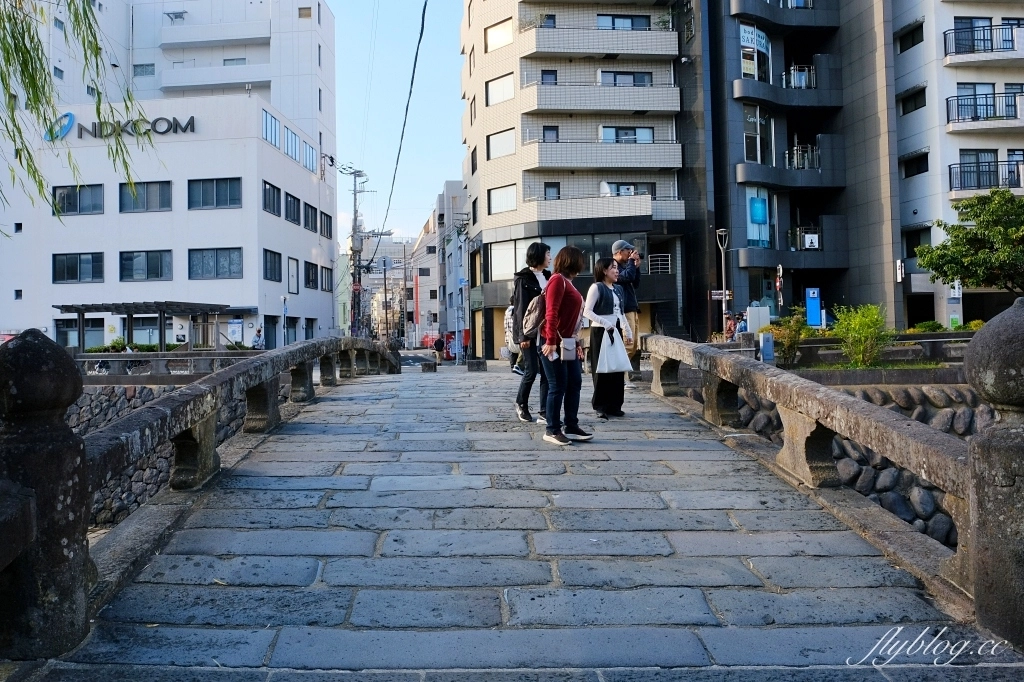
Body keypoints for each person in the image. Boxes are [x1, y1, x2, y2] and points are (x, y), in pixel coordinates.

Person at [540, 245, 592, 445]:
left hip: (568, 343)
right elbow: (551, 313)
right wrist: (551, 341)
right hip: (552, 343)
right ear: (573, 261)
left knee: (574, 383)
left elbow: (572, 320)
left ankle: (571, 425)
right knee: (557, 385)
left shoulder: (568, 283)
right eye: (580, 260)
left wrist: (576, 342)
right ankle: (552, 429)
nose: (582, 263)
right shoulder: (557, 281)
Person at [585, 258, 634, 419]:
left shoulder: (618, 289)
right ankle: (601, 405)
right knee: (602, 369)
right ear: (604, 270)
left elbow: (620, 312)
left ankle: (615, 405)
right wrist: (605, 322)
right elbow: (587, 311)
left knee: (618, 368)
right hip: (600, 332)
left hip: (616, 331)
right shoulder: (596, 287)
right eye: (613, 268)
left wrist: (628, 331)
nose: (617, 270)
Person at [512, 242, 552, 423]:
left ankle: (544, 411)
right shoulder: (523, 279)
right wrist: (523, 337)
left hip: (545, 331)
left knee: (546, 371)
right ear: (539, 256)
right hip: (529, 332)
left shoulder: (549, 276)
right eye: (548, 254)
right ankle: (521, 403)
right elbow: (520, 309)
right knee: (531, 370)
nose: (550, 257)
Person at [611, 240, 642, 388]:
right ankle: (619, 378)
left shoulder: (625, 266)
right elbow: (627, 277)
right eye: (627, 251)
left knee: (634, 346)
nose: (630, 253)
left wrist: (637, 267)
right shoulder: (613, 267)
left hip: (632, 309)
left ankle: (620, 377)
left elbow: (635, 282)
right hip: (624, 312)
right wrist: (631, 263)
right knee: (627, 345)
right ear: (618, 252)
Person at [503, 299, 525, 375]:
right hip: (515, 334)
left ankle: (512, 366)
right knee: (521, 350)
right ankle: (518, 366)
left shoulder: (507, 312)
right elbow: (515, 324)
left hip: (508, 334)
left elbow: (506, 325)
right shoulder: (514, 311)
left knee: (512, 351)